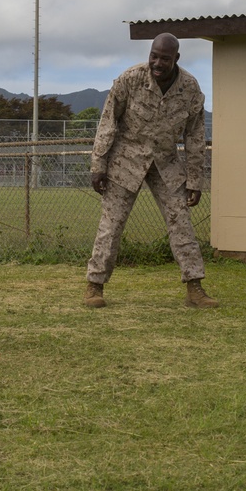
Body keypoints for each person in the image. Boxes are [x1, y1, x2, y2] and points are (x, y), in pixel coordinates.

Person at [85, 33, 217, 309]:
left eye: (164, 58)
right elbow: (107, 122)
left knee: (181, 223)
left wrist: (195, 180)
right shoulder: (129, 79)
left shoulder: (190, 88)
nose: (157, 63)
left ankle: (195, 289)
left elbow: (194, 137)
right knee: (111, 226)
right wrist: (99, 165)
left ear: (176, 59)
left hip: (166, 164)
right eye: (153, 56)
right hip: (125, 161)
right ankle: (94, 286)